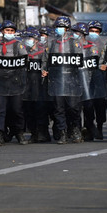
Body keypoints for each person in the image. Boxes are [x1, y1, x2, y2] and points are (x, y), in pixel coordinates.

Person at [43, 16, 85, 144]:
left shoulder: (74, 42)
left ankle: (75, 128)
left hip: (71, 79)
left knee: (73, 106)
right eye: (57, 27)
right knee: (59, 107)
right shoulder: (51, 43)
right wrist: (44, 69)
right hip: (57, 79)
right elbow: (46, 59)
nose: (59, 29)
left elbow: (80, 60)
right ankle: (62, 132)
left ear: (67, 28)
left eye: (62, 27)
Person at [0, 20, 28, 146]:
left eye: (11, 31)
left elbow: (24, 61)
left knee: (16, 109)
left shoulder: (18, 45)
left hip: (14, 81)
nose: (9, 33)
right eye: (7, 30)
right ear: (2, 31)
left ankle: (19, 133)